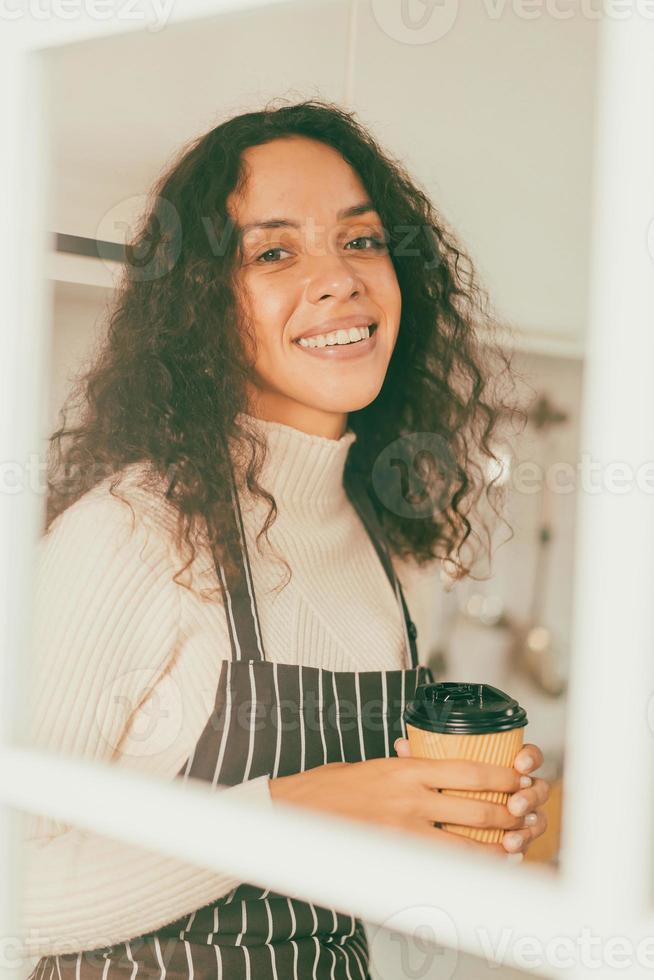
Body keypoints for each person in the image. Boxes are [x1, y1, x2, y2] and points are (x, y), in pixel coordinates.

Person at [21, 99, 549, 980]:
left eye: (361, 240)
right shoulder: (131, 532)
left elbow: (336, 879)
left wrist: (433, 820)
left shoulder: (391, 548)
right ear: (200, 304)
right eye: (273, 252)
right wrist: (296, 808)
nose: (340, 278)